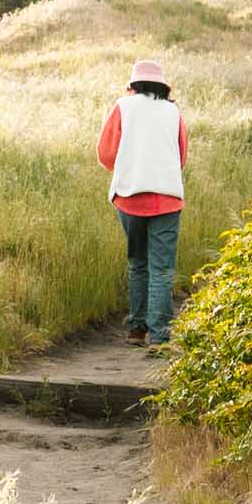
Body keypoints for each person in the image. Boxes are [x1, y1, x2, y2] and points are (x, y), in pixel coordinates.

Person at [97, 59, 188, 350]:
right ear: (163, 86)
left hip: (129, 195)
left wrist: (129, 166)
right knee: (162, 269)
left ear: (133, 84)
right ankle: (159, 337)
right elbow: (181, 156)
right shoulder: (173, 111)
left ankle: (136, 330)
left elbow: (106, 154)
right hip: (166, 197)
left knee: (138, 264)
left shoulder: (123, 107)